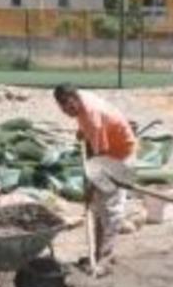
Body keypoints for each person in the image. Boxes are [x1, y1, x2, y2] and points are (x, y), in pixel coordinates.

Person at [53, 84, 137, 269]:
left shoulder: (92, 117)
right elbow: (91, 137)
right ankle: (97, 254)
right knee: (99, 207)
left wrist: (90, 187)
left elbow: (100, 157)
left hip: (120, 156)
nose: (68, 113)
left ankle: (104, 259)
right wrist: (84, 132)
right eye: (64, 109)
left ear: (75, 99)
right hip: (109, 150)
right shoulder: (81, 99)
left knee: (110, 209)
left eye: (70, 108)